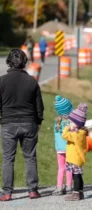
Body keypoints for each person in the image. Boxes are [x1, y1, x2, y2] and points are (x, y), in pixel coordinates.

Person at [0, 49, 44, 201]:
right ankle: (32, 190)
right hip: (29, 123)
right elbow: (39, 106)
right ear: (25, 62)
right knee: (30, 157)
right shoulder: (32, 81)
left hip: (8, 124)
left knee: (8, 159)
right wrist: (38, 122)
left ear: (9, 62)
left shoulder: (2, 81)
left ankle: (6, 192)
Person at [62, 103, 89, 200]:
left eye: (71, 122)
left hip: (74, 158)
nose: (70, 124)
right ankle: (80, 193)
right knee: (79, 176)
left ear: (77, 123)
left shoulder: (75, 135)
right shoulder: (81, 133)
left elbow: (64, 136)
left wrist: (67, 128)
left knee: (75, 176)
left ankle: (76, 194)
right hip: (78, 158)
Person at [53, 95, 74, 195]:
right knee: (69, 167)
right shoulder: (71, 123)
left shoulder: (57, 122)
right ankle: (69, 186)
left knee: (61, 168)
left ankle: (59, 187)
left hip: (59, 149)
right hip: (69, 148)